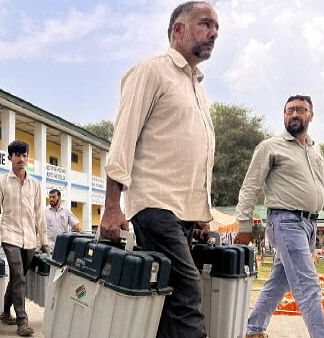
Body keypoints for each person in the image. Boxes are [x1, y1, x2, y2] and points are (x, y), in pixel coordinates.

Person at [100, 2, 219, 337]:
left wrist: (200, 212)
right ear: (178, 29)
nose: (213, 33)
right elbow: (123, 139)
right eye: (205, 24)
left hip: (182, 212)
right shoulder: (152, 71)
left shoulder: (197, 85)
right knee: (188, 291)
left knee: (168, 299)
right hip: (155, 205)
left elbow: (192, 151)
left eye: (216, 29)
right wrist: (112, 207)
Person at [234, 95, 324, 338]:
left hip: (310, 224)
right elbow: (250, 186)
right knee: (308, 285)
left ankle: (252, 329)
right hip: (285, 222)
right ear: (284, 115)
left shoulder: (316, 151)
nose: (294, 114)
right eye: (290, 110)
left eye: (300, 110)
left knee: (280, 280)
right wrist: (244, 223)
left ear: (311, 115)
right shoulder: (270, 146)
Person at [0, 140, 48, 337]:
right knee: (18, 275)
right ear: (10, 158)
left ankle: (5, 311)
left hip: (30, 239)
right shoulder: (1, 182)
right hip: (10, 236)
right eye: (17, 155)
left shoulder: (35, 184)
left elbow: (39, 214)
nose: (21, 159)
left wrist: (43, 240)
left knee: (18, 277)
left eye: (24, 155)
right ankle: (22, 320)